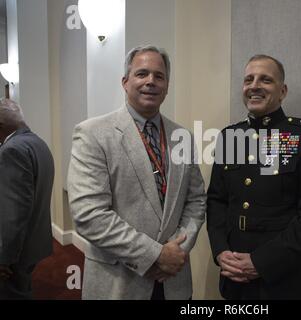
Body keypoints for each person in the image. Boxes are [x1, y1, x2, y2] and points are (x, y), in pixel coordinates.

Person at [67, 45, 206, 300]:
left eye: (159, 76)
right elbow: (89, 215)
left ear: (167, 85)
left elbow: (196, 200)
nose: (151, 81)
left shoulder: (182, 136)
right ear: (125, 81)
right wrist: (155, 255)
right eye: (142, 74)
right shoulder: (92, 134)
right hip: (120, 283)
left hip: (174, 282)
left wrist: (178, 250)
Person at [207, 55, 301, 299]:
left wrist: (262, 262)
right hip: (236, 282)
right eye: (248, 80)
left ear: (282, 91)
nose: (254, 86)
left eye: (265, 80)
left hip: (288, 282)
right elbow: (217, 200)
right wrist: (220, 251)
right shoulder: (231, 138)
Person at [0, 98, 54, 299]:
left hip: (16, 251)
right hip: (35, 241)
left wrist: (4, 259)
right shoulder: (39, 143)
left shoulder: (10, 151)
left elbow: (14, 216)